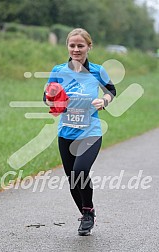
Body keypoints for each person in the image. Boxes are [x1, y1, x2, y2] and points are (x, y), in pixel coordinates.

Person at [43, 28, 116, 236]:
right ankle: (87, 213)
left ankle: (87, 211)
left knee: (80, 171)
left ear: (88, 47)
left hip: (90, 132)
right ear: (67, 46)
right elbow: (46, 95)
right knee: (72, 180)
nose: (76, 49)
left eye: (80, 45)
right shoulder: (58, 70)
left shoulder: (97, 71)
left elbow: (111, 90)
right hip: (66, 132)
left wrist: (104, 101)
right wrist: (51, 101)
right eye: (72, 45)